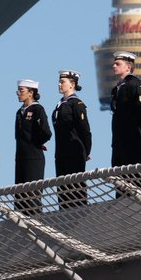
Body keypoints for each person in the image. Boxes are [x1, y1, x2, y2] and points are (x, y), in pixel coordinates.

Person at [52, 70, 92, 206]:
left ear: (72, 84)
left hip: (74, 151)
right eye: (59, 81)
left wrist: (87, 150)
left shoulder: (76, 104)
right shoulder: (60, 105)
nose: (59, 84)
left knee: (76, 189)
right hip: (61, 152)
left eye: (62, 82)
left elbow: (85, 130)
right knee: (62, 190)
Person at [13, 79, 51, 214]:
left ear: (31, 93)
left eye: (21, 91)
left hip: (33, 158)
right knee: (19, 196)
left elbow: (46, 132)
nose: (18, 93)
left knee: (32, 196)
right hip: (21, 157)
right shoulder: (19, 112)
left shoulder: (37, 109)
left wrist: (36, 143)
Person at [110, 52, 141, 168]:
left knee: (134, 179)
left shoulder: (134, 84)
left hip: (133, 140)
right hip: (119, 141)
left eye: (117, 64)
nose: (114, 66)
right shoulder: (117, 88)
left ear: (128, 67)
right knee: (119, 179)